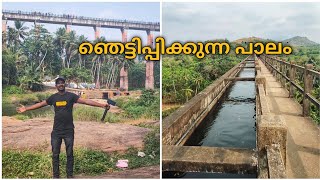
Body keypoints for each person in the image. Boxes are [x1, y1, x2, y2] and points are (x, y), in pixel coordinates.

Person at [16, 77, 109, 178]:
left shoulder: (71, 96)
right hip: (56, 131)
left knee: (70, 154)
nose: (61, 85)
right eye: (58, 83)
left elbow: (86, 101)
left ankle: (69, 176)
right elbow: (40, 104)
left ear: (64, 84)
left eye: (62, 83)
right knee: (55, 155)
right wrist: (26, 108)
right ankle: (56, 176)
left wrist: (102, 105)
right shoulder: (53, 98)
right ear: (56, 86)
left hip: (69, 130)